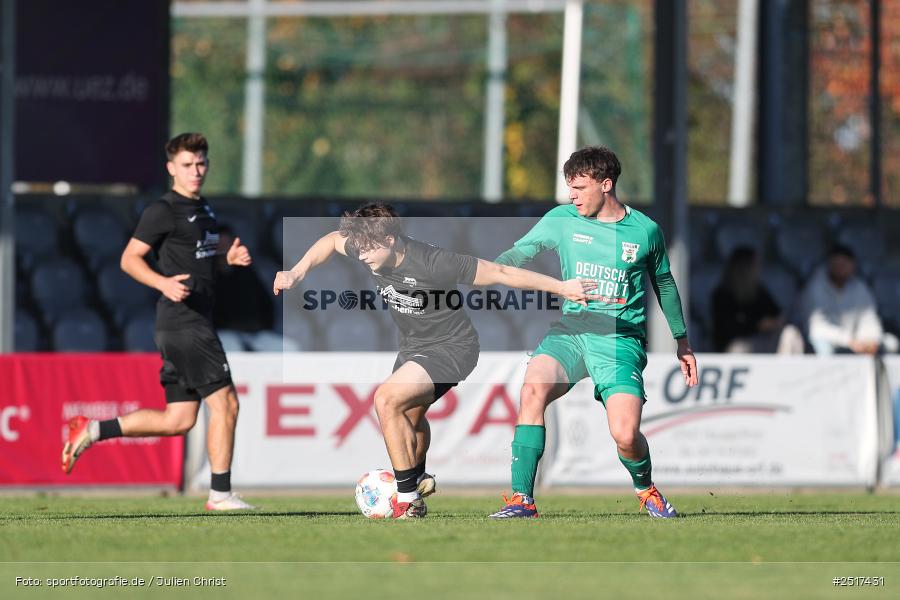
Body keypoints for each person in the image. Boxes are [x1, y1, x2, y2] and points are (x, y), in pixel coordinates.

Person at [272, 203, 596, 519]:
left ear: (389, 239)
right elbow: (332, 241)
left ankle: (408, 499)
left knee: (386, 400)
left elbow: (500, 272)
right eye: (359, 247)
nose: (362, 255)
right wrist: (296, 272)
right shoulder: (366, 245)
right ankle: (417, 478)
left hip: (453, 347)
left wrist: (560, 287)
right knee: (410, 417)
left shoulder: (433, 262)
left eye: (368, 248)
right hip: (413, 347)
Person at [489, 146, 698, 519]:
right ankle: (522, 500)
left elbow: (664, 284)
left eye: (579, 188)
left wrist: (682, 341)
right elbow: (517, 255)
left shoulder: (645, 230)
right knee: (532, 389)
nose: (572, 196)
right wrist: (490, 269)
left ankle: (646, 488)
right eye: (569, 187)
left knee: (625, 435)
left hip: (619, 339)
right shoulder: (562, 219)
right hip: (571, 331)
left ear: (606, 184)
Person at [61, 133, 256, 511]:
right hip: (185, 322)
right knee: (227, 404)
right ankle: (220, 495)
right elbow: (129, 258)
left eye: (201, 163)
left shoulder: (204, 209)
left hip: (187, 322)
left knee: (178, 419)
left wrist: (226, 260)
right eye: (187, 164)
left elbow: (197, 260)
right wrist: (162, 282)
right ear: (171, 168)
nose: (195, 170)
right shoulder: (163, 210)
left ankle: (94, 429)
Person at [800, 244, 898, 355]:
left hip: (856, 341)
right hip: (829, 341)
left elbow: (869, 319)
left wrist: (870, 341)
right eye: (837, 264)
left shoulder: (860, 287)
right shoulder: (815, 287)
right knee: (824, 347)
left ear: (853, 265)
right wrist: (849, 341)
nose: (840, 268)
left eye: (844, 264)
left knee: (891, 343)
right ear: (829, 265)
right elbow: (816, 329)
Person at [711, 245, 804, 353]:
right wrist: (757, 326)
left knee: (790, 333)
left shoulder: (759, 291)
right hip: (735, 347)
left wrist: (774, 323)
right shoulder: (722, 295)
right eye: (754, 265)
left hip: (763, 342)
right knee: (739, 348)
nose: (758, 269)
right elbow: (725, 330)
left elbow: (777, 315)